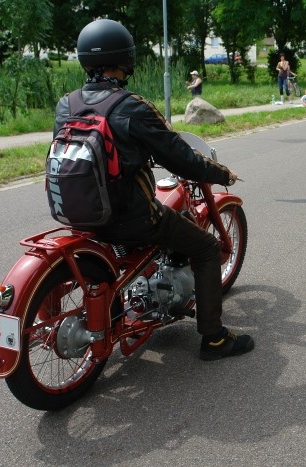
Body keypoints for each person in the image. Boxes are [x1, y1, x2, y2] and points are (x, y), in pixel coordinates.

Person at [64, 19, 254, 361]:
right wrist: (222, 174)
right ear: (125, 58)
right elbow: (180, 157)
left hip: (79, 215)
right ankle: (214, 339)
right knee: (208, 248)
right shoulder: (131, 106)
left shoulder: (66, 105)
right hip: (132, 218)